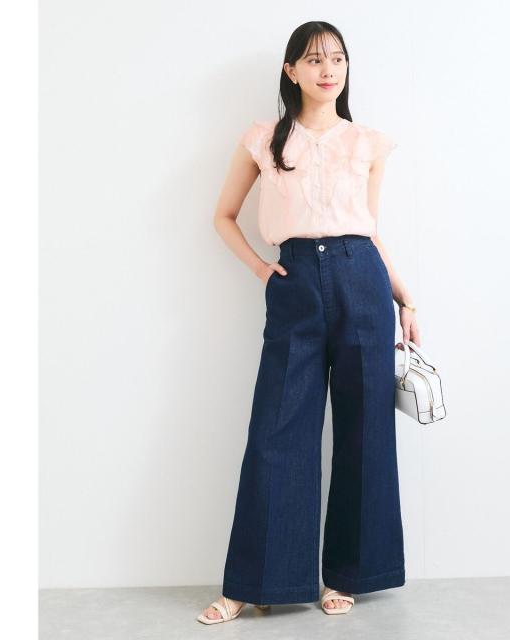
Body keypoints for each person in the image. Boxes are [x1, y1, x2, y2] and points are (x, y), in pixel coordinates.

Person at [197, 21, 420, 625]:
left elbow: (369, 228)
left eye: (338, 59)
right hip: (293, 282)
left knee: (366, 428)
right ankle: (255, 581)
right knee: (278, 430)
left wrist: (403, 296)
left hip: (361, 280)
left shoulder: (367, 143)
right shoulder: (263, 140)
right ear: (291, 70)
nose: (329, 70)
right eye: (315, 59)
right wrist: (263, 271)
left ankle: (348, 574)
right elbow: (223, 216)